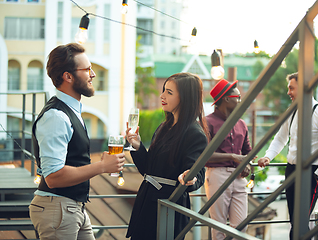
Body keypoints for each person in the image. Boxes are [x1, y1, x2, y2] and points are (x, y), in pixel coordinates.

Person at [29, 43, 125, 240]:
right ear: (68, 76)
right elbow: (53, 177)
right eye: (87, 69)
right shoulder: (56, 116)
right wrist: (101, 166)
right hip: (58, 209)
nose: (93, 74)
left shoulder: (70, 111)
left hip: (72, 208)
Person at [125, 72, 208, 240]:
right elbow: (148, 169)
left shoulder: (194, 133)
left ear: (185, 98)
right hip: (147, 202)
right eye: (164, 90)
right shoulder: (164, 126)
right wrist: (137, 146)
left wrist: (189, 178)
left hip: (168, 206)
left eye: (169, 92)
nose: (162, 96)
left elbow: (197, 174)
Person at [257, 72, 318, 240]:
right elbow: (280, 138)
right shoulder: (292, 111)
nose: (288, 92)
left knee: (301, 221)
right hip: (291, 171)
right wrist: (268, 157)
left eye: (291, 88)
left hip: (312, 173)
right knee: (295, 220)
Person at [204, 79, 252, 239]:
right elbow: (203, 155)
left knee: (241, 227)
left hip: (239, 178)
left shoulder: (241, 124)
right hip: (218, 175)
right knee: (218, 227)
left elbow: (248, 153)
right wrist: (233, 156)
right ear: (226, 99)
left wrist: (248, 164)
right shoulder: (207, 122)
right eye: (237, 97)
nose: (240, 100)